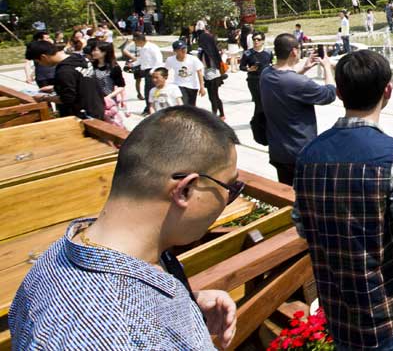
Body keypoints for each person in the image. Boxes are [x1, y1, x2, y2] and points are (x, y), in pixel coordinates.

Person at [9, 106, 239, 349]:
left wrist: (189, 305)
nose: (228, 199)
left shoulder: (61, 254)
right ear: (186, 190)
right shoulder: (117, 333)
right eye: (231, 188)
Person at [293, 50, 393, 350]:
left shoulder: (309, 155)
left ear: (338, 93)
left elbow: (301, 224)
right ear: (387, 90)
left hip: (340, 315)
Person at [260, 33, 336, 185]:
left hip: (278, 151)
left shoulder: (266, 74)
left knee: (287, 196)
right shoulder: (299, 83)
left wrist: (304, 68)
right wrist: (327, 67)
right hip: (300, 152)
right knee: (305, 200)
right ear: (294, 51)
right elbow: (329, 94)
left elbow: (286, 83)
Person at [25, 41, 105, 120]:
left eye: (37, 62)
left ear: (43, 57)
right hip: (97, 106)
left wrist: (44, 98)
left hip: (84, 116)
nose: (40, 64)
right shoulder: (79, 58)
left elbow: (67, 99)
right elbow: (81, 81)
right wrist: (55, 87)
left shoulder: (64, 71)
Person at [239, 31, 273, 137]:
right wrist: (249, 69)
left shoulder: (268, 52)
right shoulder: (248, 53)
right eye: (254, 39)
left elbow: (272, 63)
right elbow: (241, 66)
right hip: (253, 80)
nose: (256, 41)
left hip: (267, 80)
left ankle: (260, 120)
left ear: (263, 41)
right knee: (259, 101)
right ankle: (258, 122)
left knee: (266, 101)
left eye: (258, 39)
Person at [90, 41, 127, 126]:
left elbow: (121, 86)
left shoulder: (114, 67)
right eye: (93, 50)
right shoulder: (91, 66)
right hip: (94, 100)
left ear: (104, 52)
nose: (93, 53)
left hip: (108, 101)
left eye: (96, 50)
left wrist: (108, 97)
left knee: (111, 124)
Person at [165, 40, 206, 107]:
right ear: (175, 51)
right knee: (183, 104)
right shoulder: (170, 60)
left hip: (192, 86)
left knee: (191, 106)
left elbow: (199, 72)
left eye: (184, 48)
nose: (183, 50)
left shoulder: (193, 59)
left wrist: (202, 87)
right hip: (179, 85)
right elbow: (166, 71)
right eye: (180, 49)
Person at [197, 30, 226, 120]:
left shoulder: (209, 52)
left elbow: (213, 63)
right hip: (209, 75)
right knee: (214, 96)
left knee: (213, 96)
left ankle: (216, 114)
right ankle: (221, 114)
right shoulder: (207, 50)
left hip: (213, 76)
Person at [132, 32, 163, 115]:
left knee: (151, 91)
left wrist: (153, 71)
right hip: (146, 71)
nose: (135, 43)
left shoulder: (152, 47)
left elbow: (159, 60)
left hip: (153, 71)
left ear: (140, 40)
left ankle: (150, 109)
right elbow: (141, 59)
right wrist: (132, 64)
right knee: (147, 91)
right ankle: (149, 108)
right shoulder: (142, 49)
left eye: (135, 41)